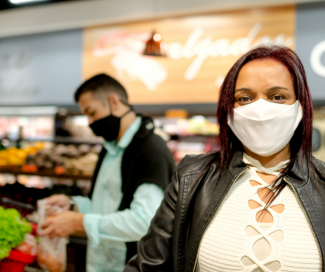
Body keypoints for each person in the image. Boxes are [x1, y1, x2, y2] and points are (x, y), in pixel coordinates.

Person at [124, 45, 325, 272]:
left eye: (277, 96)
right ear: (228, 109)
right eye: (245, 98)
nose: (259, 109)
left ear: (301, 107)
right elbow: (147, 266)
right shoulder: (191, 179)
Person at [41, 74, 175, 272]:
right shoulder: (110, 148)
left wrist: (80, 223)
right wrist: (73, 205)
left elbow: (145, 221)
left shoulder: (150, 150)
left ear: (113, 101)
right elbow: (107, 206)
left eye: (92, 113)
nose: (90, 122)